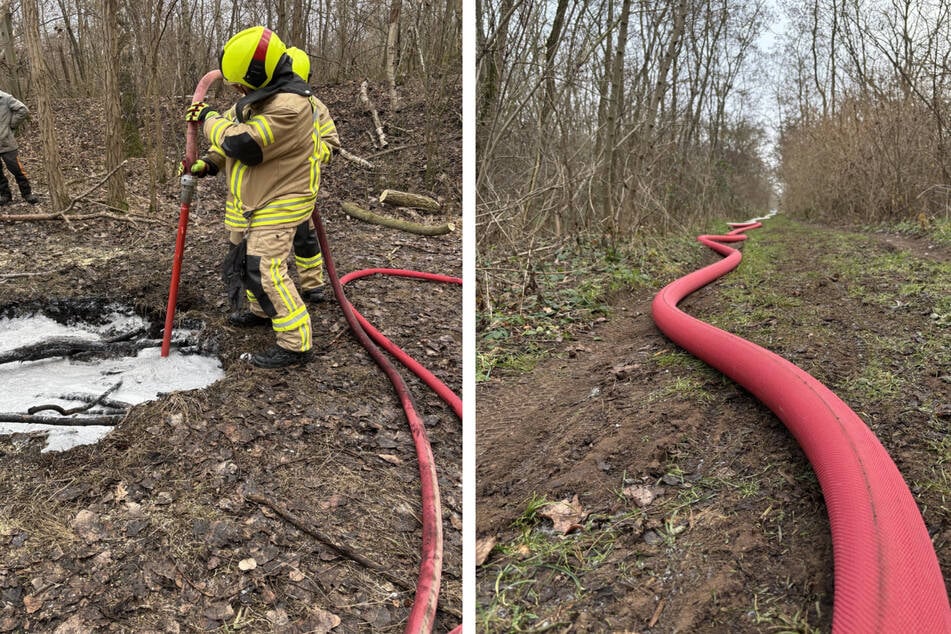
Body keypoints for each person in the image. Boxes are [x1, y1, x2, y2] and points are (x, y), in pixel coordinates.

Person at [185, 26, 326, 369]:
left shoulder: (290, 107)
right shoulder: (259, 99)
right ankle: (262, 311)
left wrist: (207, 117)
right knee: (250, 264)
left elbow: (243, 144)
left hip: (282, 200)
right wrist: (208, 163)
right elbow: (226, 145)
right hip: (257, 200)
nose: (236, 89)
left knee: (266, 268)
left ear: (258, 74)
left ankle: (296, 344)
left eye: (240, 83)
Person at [284, 46, 340, 304]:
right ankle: (269, 293)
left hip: (301, 187)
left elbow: (332, 145)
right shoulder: (264, 104)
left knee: (304, 237)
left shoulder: (316, 107)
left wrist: (308, 149)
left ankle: (312, 285)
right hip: (268, 188)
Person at [0, 90, 38, 205]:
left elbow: (23, 110)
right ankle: (5, 195)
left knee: (16, 169)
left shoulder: (5, 98)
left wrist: (11, 125)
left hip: (6, 142)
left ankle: (27, 194)